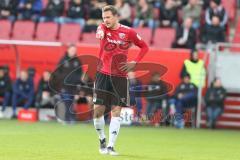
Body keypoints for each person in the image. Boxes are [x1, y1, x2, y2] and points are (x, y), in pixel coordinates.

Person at [93, 5, 148, 155]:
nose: (106, 20)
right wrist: (100, 30)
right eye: (104, 17)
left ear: (116, 16)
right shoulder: (103, 28)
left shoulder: (128, 32)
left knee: (116, 111)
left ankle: (111, 146)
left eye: (108, 17)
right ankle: (102, 139)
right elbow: (100, 30)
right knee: (97, 112)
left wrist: (135, 62)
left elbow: (144, 47)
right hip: (102, 74)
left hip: (120, 77)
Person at [56, 44, 83, 123]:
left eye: (74, 50)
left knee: (71, 102)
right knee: (66, 101)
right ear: (68, 50)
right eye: (71, 50)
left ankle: (69, 118)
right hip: (64, 85)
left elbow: (80, 74)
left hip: (74, 86)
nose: (73, 52)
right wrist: (61, 81)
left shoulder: (77, 61)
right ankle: (67, 118)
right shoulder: (63, 60)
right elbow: (57, 72)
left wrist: (78, 86)